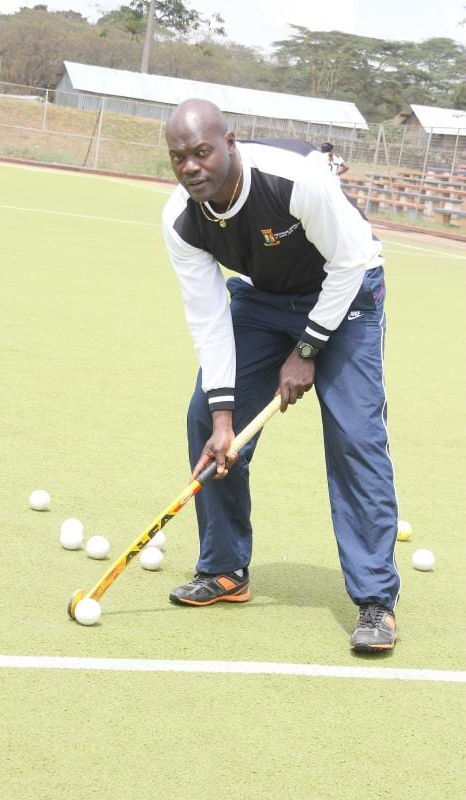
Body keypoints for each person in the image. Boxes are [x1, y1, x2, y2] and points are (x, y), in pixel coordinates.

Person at [161, 98, 399, 653]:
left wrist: (309, 348)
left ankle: (375, 602)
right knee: (206, 418)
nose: (192, 166)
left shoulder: (296, 179)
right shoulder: (181, 220)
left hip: (348, 292)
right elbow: (209, 317)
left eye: (202, 152)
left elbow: (348, 263)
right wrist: (225, 416)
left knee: (355, 436)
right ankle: (224, 571)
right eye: (179, 158)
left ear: (230, 143)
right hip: (264, 300)